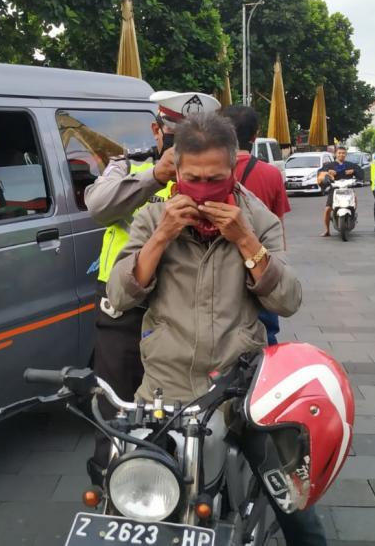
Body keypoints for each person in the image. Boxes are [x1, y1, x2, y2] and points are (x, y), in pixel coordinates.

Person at [107, 112, 326, 545]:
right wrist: (162, 236)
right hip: (163, 389)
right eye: (193, 178)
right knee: (127, 501)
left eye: (215, 178)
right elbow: (118, 296)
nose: (204, 189)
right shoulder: (153, 217)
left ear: (232, 167)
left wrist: (245, 239)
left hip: (240, 389)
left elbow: (289, 300)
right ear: (176, 168)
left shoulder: (257, 218)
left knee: (297, 506)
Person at [83, 90, 220, 482]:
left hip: (185, 307)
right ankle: (109, 481)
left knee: (191, 404)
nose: (184, 150)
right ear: (156, 131)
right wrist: (155, 175)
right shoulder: (124, 166)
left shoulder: (213, 173)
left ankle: (191, 481)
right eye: (176, 139)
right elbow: (98, 207)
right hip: (123, 309)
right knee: (115, 403)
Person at [222, 104, 291, 345]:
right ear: (255, 135)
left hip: (221, 274)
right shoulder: (271, 174)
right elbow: (278, 225)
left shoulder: (210, 170)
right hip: (261, 267)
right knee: (266, 334)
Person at [318, 146, 364, 236]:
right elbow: (320, 173)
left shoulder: (351, 165)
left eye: (343, 153)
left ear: (346, 154)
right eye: (339, 153)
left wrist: (354, 171)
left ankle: (353, 216)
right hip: (335, 189)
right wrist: (328, 172)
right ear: (336, 154)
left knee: (354, 200)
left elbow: (361, 173)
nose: (341, 155)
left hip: (348, 188)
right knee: (327, 209)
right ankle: (327, 230)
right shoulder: (329, 165)